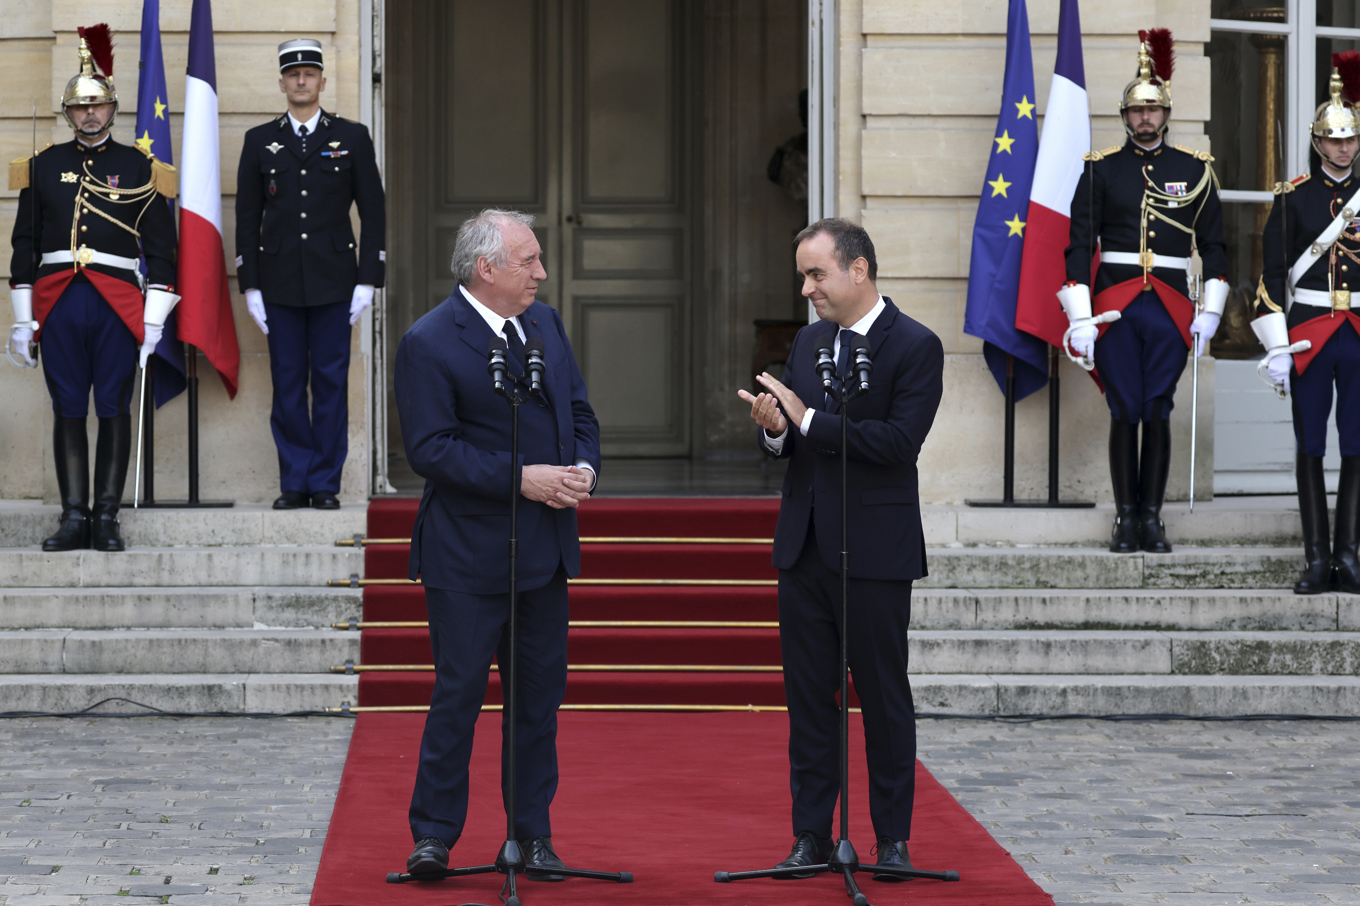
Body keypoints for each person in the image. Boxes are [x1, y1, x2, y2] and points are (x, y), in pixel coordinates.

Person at [396, 209, 600, 879]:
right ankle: (433, 836)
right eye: (529, 261)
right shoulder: (428, 340)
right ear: (487, 269)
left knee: (538, 703)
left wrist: (583, 470)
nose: (542, 272)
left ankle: (532, 835)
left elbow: (578, 412)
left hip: (544, 551)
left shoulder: (545, 324)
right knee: (457, 697)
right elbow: (431, 450)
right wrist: (523, 479)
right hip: (466, 555)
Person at [737, 218, 943, 881]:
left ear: (858, 271)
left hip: (876, 552)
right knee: (808, 700)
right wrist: (775, 431)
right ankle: (810, 836)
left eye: (816, 274)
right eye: (803, 275)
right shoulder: (807, 342)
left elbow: (894, 445)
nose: (806, 289)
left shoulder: (915, 345)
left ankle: (892, 841)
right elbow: (794, 444)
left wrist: (806, 418)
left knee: (884, 697)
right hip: (804, 549)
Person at [7, 29, 178, 552]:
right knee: (66, 407)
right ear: (66, 113)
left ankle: (107, 517)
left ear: (113, 108)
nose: (89, 115)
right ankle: (73, 516)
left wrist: (154, 319)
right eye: (80, 107)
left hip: (118, 302)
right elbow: (23, 247)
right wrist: (21, 317)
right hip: (58, 300)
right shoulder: (41, 166)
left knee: (111, 406)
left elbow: (164, 253)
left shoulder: (141, 168)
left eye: (97, 105)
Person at [1058, 31, 1228, 554]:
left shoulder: (1194, 170)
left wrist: (1212, 313)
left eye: (1153, 110)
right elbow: (1078, 245)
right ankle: (1124, 518)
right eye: (1137, 110)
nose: (1145, 119)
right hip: (1115, 305)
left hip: (1173, 307)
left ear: (1167, 113)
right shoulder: (1101, 169)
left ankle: (1151, 518)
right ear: (1125, 116)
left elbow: (1216, 247)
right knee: (1124, 409)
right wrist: (1081, 318)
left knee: (1157, 407)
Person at [235, 38, 386, 510]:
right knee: (286, 383)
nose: (301, 80)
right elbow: (246, 217)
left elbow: (374, 213)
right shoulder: (258, 141)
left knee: (330, 383)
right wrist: (251, 284)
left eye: (310, 73)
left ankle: (324, 483)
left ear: (322, 81)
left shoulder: (353, 137)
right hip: (278, 283)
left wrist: (368, 279)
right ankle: (294, 481)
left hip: (335, 281)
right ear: (281, 83)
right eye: (293, 74)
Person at [1255, 59, 1360, 596]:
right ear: (1317, 143)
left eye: (1350, 140)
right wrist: (1277, 343)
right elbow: (1272, 275)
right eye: (1333, 141)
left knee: (1358, 446)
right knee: (1311, 446)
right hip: (1311, 332)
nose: (1343, 150)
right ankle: (1317, 559)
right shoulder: (1292, 197)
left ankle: (1350, 555)